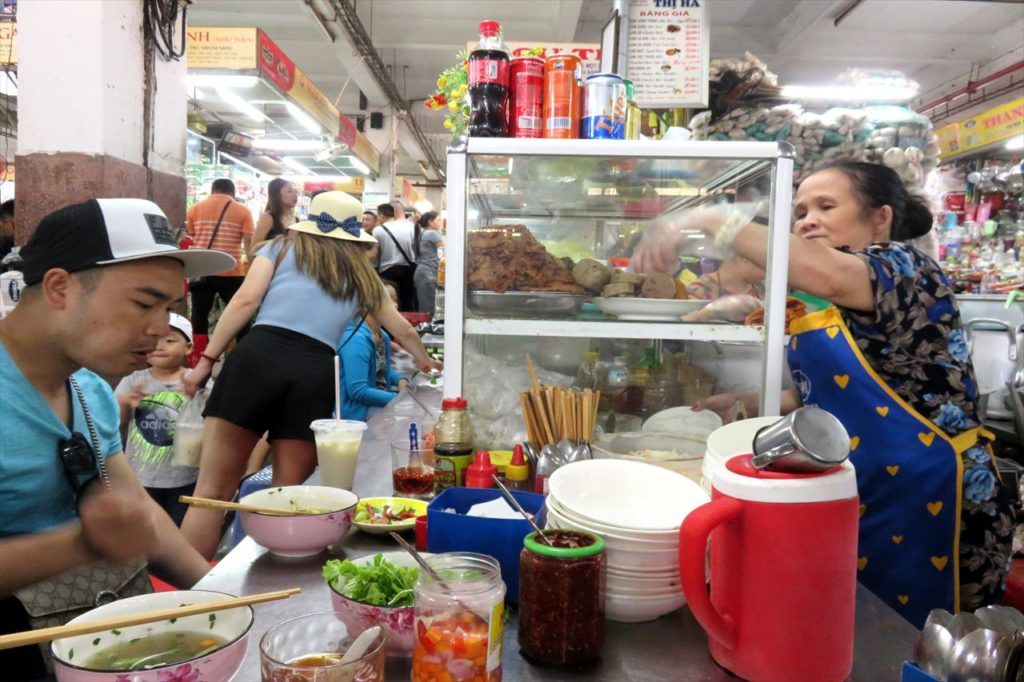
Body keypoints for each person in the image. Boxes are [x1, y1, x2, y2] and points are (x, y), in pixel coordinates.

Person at [634, 161, 1016, 627]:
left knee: (926, 638)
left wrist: (710, 218)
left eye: (826, 206)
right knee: (861, 627)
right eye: (799, 211)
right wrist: (747, 401)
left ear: (880, 218)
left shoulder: (905, 269)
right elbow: (841, 390)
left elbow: (824, 273)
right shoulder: (835, 298)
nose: (807, 219)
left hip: (934, 494)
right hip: (865, 486)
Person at [0, 198, 231, 676]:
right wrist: (82, 545)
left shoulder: (89, 390)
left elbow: (137, 513)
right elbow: (116, 530)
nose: (158, 328)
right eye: (145, 303)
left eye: (169, 308)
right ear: (60, 287)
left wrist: (224, 598)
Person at [180, 191, 439, 559]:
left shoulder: (278, 250)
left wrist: (206, 360)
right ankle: (268, 585)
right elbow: (404, 330)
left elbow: (244, 301)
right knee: (290, 495)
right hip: (314, 373)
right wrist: (425, 362)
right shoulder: (364, 277)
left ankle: (188, 593)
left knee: (210, 494)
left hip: (256, 359)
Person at [114, 313, 198, 527]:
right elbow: (117, 424)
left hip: (185, 475)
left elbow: (212, 423)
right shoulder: (133, 380)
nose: (160, 346)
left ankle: (175, 559)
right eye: (154, 341)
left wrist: (197, 397)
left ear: (188, 347)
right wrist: (125, 404)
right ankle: (156, 560)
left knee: (180, 525)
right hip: (142, 475)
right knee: (148, 526)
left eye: (170, 340)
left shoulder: (196, 380)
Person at [186, 178, 255, 361]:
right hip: (230, 269)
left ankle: (198, 354)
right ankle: (243, 354)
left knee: (199, 314)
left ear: (213, 190)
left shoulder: (194, 209)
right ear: (232, 192)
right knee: (241, 313)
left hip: (202, 269)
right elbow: (249, 245)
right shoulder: (243, 211)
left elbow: (193, 236)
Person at [338, 283, 408, 420]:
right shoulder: (356, 340)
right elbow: (357, 391)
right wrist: (395, 399)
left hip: (376, 406)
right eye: (388, 300)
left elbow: (380, 369)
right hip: (356, 415)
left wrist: (399, 380)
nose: (395, 306)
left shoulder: (382, 336)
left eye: (395, 299)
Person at [373, 200, 418, 311]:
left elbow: (375, 252)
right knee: (406, 300)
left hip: (387, 270)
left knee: (388, 301)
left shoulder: (378, 230)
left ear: (382, 215)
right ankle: (408, 321)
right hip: (407, 269)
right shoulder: (408, 228)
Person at [686, 255, 765, 300]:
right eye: (763, 263)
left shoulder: (760, 288)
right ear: (744, 259)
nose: (767, 270)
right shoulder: (700, 289)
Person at [413, 211, 444, 316]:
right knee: (428, 308)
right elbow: (444, 251)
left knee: (425, 306)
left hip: (423, 272)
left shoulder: (423, 233)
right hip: (428, 273)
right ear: (430, 222)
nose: (441, 223)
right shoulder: (432, 233)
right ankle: (427, 330)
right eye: (438, 220)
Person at [253, 178, 299, 246]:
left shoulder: (296, 220)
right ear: (277, 194)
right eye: (289, 191)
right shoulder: (268, 218)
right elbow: (254, 247)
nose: (295, 195)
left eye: (296, 191)